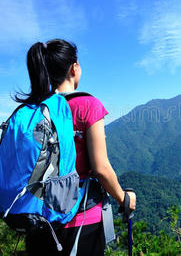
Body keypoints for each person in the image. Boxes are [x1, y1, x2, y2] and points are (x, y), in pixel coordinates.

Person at [14, 39, 136, 255]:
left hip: (38, 220)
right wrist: (124, 198)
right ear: (74, 68)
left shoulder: (33, 110)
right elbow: (101, 168)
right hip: (80, 220)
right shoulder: (87, 105)